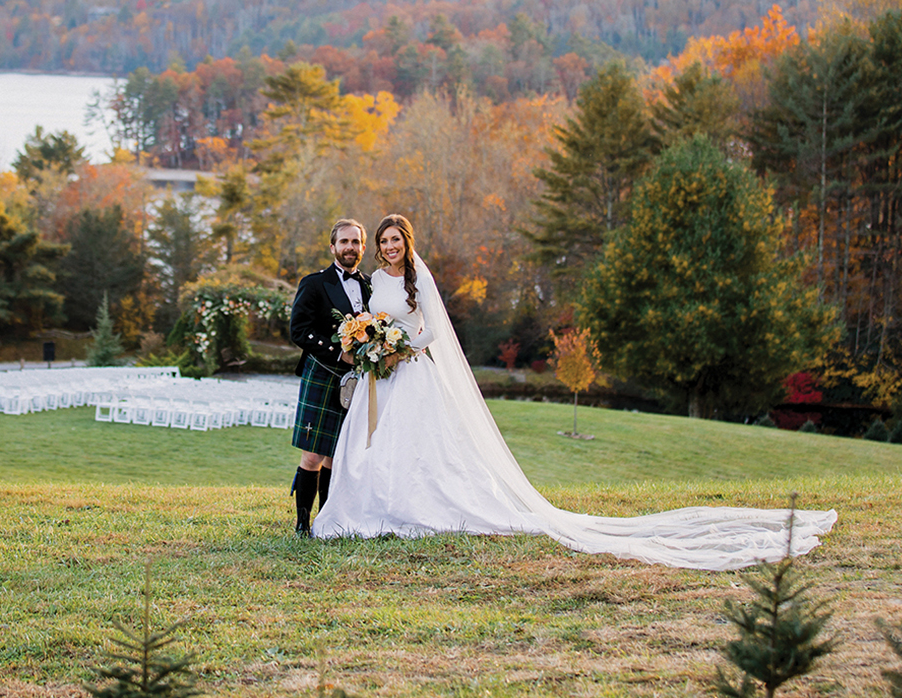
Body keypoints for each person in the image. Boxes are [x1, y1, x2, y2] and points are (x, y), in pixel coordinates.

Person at [310, 213, 837, 571]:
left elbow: (435, 332)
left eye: (394, 240)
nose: (388, 247)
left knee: (423, 449)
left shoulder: (417, 281)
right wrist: (373, 344)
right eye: (382, 242)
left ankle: (417, 509)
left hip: (415, 372)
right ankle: (372, 510)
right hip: (385, 377)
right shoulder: (376, 280)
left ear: (407, 242)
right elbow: (369, 321)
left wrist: (403, 347)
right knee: (378, 446)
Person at [286, 218, 371, 535]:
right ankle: (302, 524)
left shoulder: (370, 285)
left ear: (363, 248)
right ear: (333, 246)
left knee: (337, 454)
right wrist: (339, 353)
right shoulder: (315, 283)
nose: (350, 247)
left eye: (356, 242)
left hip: (356, 380)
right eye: (344, 242)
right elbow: (299, 330)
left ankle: (328, 519)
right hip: (323, 372)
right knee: (313, 454)